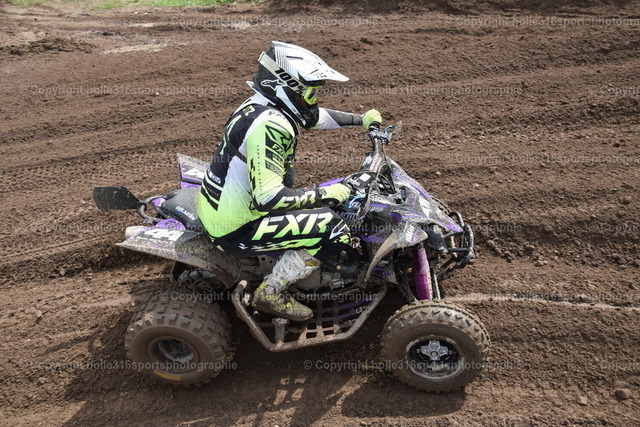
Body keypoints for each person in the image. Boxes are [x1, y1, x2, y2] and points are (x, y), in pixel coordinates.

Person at [196, 41, 381, 321]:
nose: (313, 99)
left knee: (321, 200)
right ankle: (271, 293)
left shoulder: (259, 104)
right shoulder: (271, 125)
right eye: (309, 93)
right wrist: (327, 193)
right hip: (237, 228)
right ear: (285, 87)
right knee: (334, 227)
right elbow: (268, 198)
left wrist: (361, 119)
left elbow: (311, 117)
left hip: (223, 208)